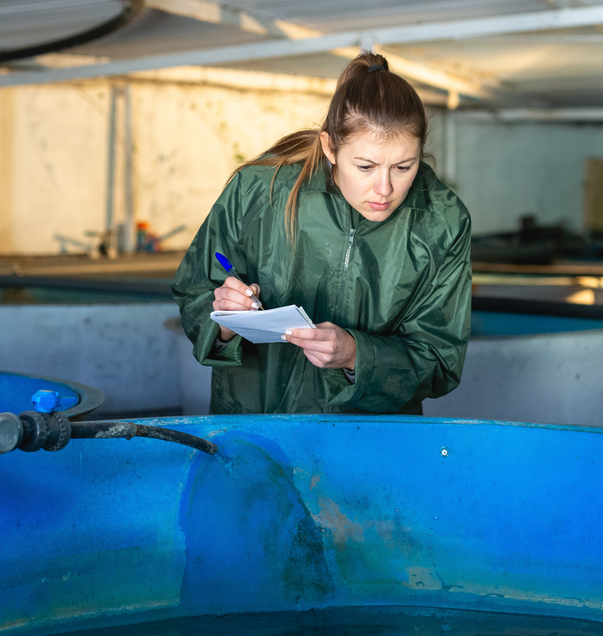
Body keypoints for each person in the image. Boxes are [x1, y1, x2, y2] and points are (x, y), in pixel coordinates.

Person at [171, 52, 471, 415]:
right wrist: (223, 321)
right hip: (255, 423)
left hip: (366, 438)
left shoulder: (442, 221)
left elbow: (440, 358)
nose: (384, 188)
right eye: (365, 166)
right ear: (331, 147)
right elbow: (194, 291)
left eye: (403, 167)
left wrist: (357, 355)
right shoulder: (258, 191)